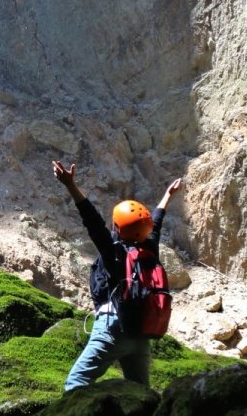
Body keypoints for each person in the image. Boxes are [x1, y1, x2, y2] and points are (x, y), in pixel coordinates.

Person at [53, 160, 183, 391]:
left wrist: (70, 185)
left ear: (116, 228)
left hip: (113, 326)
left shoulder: (113, 251)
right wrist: (167, 196)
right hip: (142, 333)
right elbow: (157, 221)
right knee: (141, 390)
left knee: (76, 383)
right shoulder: (149, 248)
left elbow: (92, 221)